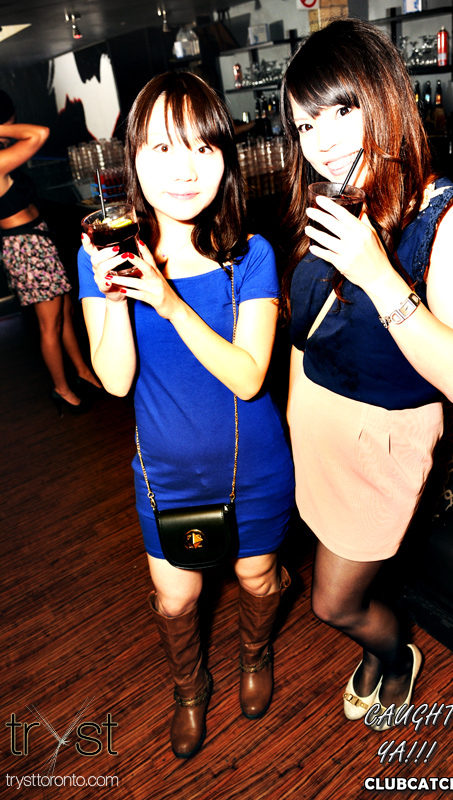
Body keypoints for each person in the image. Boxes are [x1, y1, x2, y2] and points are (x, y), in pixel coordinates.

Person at [279, 19, 453, 731]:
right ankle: (377, 649)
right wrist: (294, 419)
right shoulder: (332, 203)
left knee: (332, 601)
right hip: (316, 429)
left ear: (384, 97)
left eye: (339, 111)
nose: (321, 142)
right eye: (305, 125)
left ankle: (394, 651)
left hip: (382, 441)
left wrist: (377, 274)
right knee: (332, 568)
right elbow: (305, 328)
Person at [78, 72, 294, 759]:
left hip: (254, 465)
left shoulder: (249, 254)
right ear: (134, 158)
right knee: (176, 600)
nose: (185, 170)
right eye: (164, 149)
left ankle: (255, 653)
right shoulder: (100, 255)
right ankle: (189, 687)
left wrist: (169, 302)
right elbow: (116, 381)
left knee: (257, 578)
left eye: (203, 148)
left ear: (225, 159)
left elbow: (249, 376)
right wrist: (117, 291)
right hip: (165, 474)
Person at [0, 89, 101, 414]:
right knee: (50, 324)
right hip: (26, 248)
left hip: (36, 241)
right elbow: (39, 134)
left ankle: (82, 371)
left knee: (64, 313)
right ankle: (61, 388)